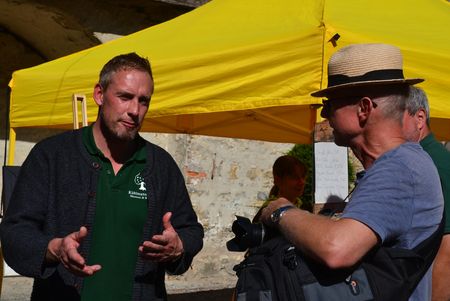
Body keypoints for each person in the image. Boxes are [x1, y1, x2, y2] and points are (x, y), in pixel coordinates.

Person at [0, 53, 204, 301]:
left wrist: (180, 246)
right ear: (99, 94)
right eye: (125, 97)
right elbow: (14, 231)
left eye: (143, 101)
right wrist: (53, 248)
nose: (134, 111)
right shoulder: (52, 155)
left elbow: (191, 229)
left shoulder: (161, 166)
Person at [259, 43, 443, 301]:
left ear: (364, 109)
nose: (324, 112)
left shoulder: (400, 167)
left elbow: (337, 248)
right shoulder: (399, 164)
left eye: (330, 102)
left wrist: (280, 210)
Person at [403, 86, 450, 301]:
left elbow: (447, 250)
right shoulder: (422, 158)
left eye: (395, 118)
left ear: (419, 118)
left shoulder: (435, 163)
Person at [253, 155, 309, 223]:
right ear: (278, 180)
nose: (302, 182)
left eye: (303, 176)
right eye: (294, 177)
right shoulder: (268, 212)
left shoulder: (305, 208)